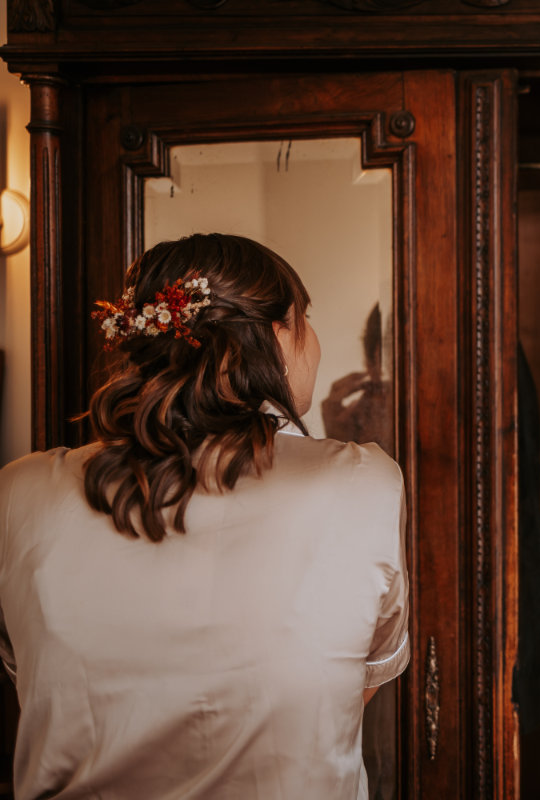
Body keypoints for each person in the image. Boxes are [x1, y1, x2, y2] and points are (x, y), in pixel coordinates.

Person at [0, 233, 410, 799]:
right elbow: (352, 683)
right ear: (271, 336)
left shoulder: (19, 492)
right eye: (304, 319)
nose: (314, 341)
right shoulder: (366, 483)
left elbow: (36, 675)